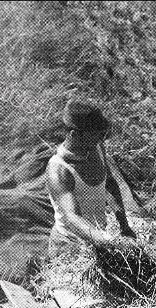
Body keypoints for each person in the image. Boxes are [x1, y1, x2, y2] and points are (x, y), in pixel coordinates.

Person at [46, 98, 135, 261]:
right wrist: (108, 242)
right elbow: (72, 217)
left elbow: (110, 184)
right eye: (95, 134)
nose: (100, 139)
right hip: (69, 250)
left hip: (99, 239)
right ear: (75, 134)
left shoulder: (96, 147)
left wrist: (124, 226)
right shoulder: (59, 170)